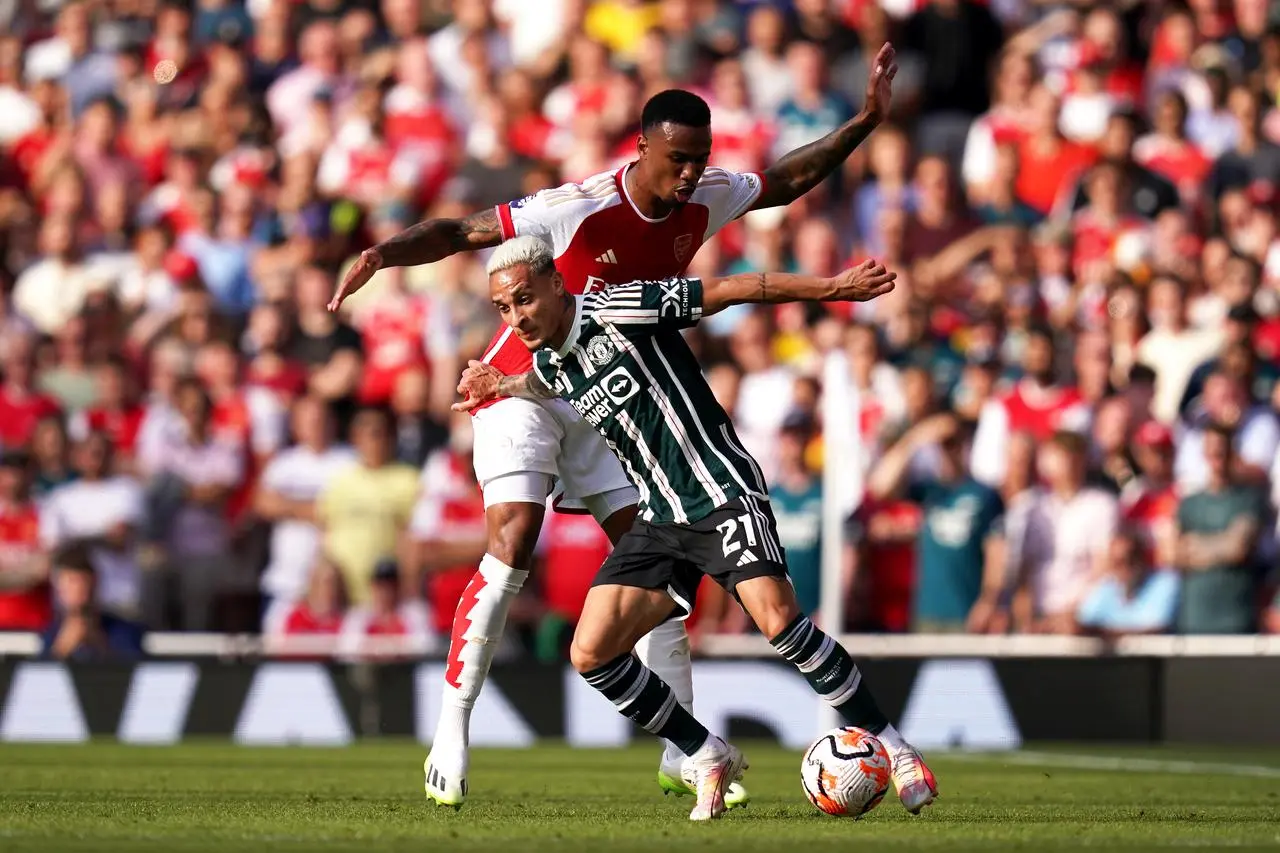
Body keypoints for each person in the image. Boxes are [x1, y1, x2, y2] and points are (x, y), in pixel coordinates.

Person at [329, 47, 902, 809]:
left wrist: (862, 122)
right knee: (513, 538)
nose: (691, 174)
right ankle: (453, 724)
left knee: (656, 548)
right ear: (642, 149)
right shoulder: (578, 205)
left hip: (611, 401)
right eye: (676, 159)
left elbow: (790, 180)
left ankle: (686, 748)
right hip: (521, 385)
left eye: (700, 159)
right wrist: (380, 253)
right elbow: (463, 232)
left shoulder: (709, 195)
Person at [455, 236, 935, 822]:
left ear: (558, 285)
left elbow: (732, 290)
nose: (517, 317)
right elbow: (548, 384)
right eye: (504, 309)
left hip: (720, 492)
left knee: (779, 622)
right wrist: (500, 385)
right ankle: (706, 752)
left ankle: (897, 748)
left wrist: (832, 288)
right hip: (659, 516)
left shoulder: (620, 307)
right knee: (591, 653)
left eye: (524, 299)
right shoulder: (552, 360)